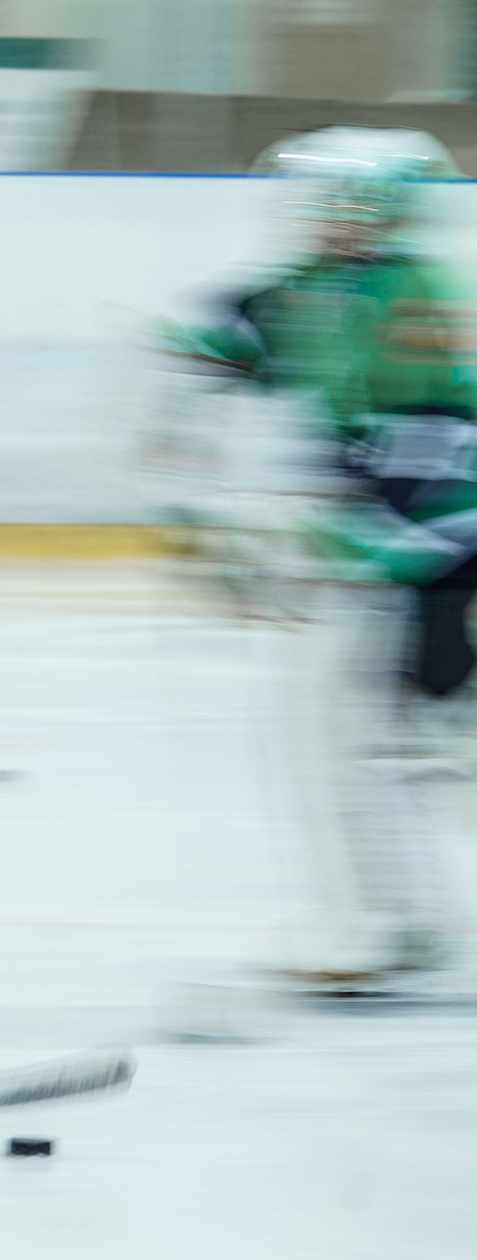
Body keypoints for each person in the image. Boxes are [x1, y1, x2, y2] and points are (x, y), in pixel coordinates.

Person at [156, 125, 477, 984]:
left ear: (373, 208)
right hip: (401, 552)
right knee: (375, 738)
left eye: (331, 198)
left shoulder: (405, 294)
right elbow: (230, 334)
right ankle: (394, 921)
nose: (310, 213)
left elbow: (433, 454)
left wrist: (316, 546)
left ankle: (387, 923)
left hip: (440, 552)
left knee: (413, 740)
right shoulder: (318, 286)